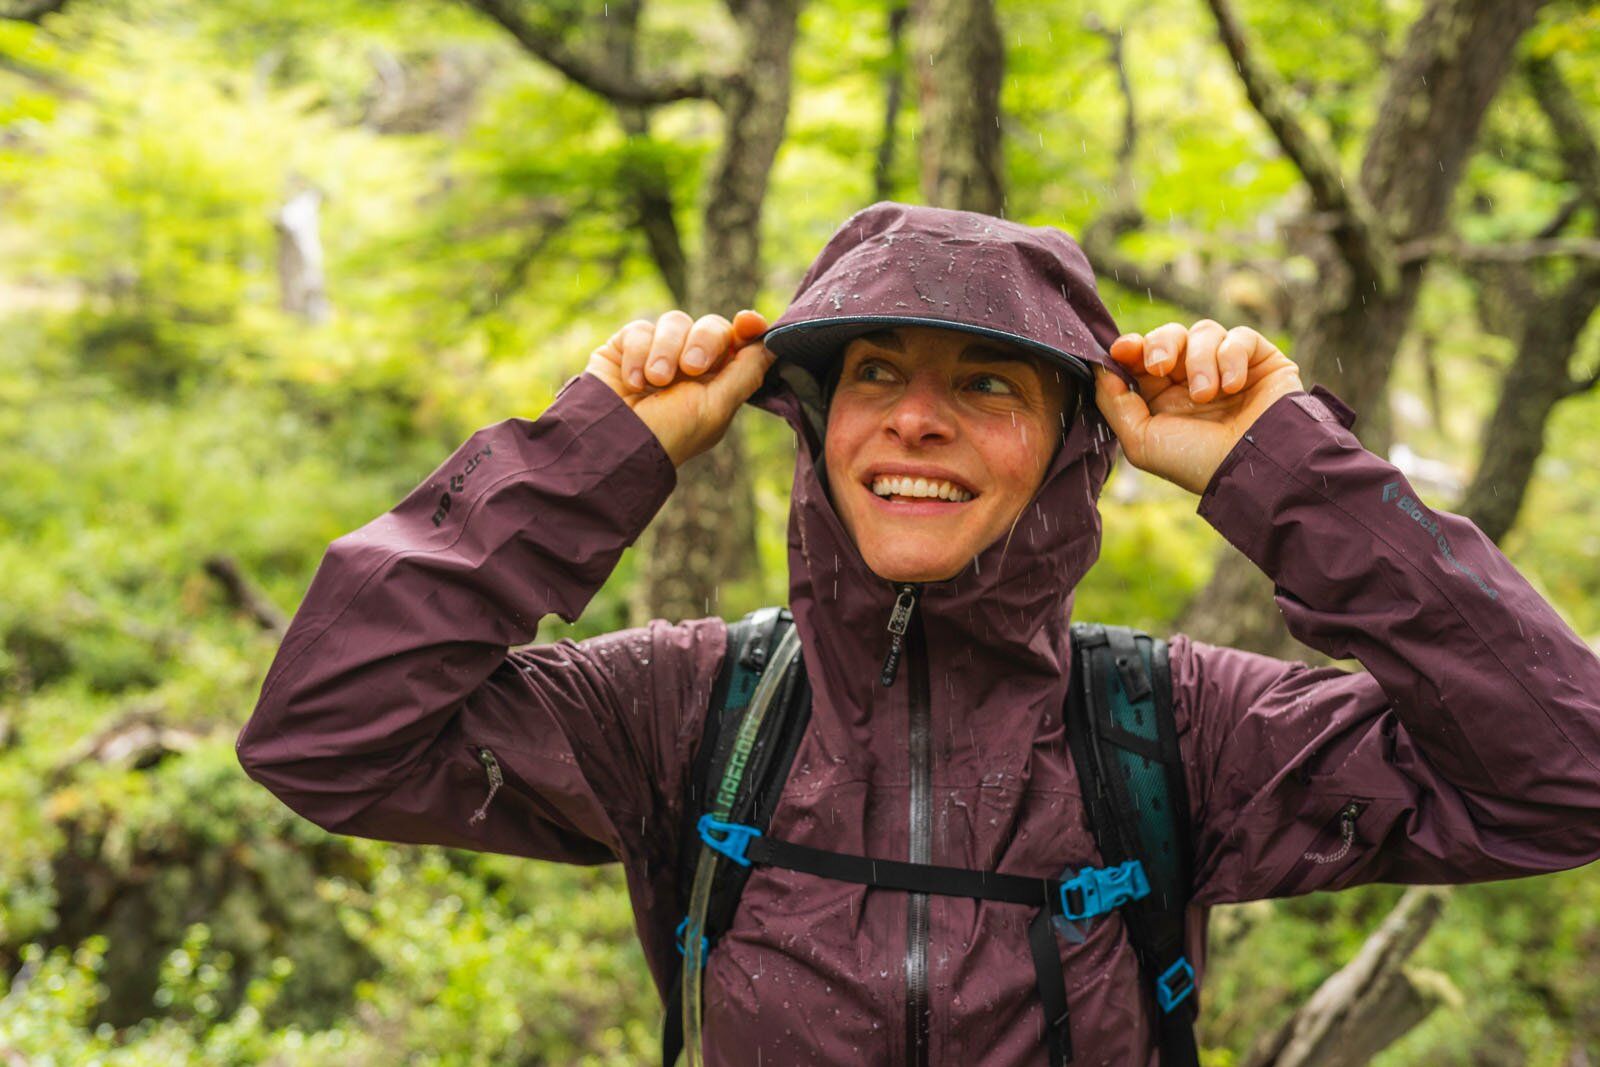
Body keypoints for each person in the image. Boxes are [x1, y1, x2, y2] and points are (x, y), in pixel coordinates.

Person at [236, 201, 1600, 1065]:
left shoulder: (1177, 730)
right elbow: (327, 737)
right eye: (874, 373)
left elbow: (1566, 775)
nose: (915, 419)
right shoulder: (687, 709)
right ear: (813, 428)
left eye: (986, 384)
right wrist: (595, 447)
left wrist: (1283, 469)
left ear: (1072, 451)